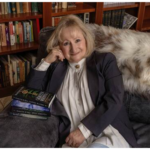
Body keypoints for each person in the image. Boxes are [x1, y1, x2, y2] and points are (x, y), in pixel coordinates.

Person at [26, 15, 137, 148]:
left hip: (107, 134)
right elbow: (31, 95)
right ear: (59, 47)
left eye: (77, 40)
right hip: (71, 141)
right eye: (66, 43)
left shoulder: (105, 61)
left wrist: (83, 131)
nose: (74, 48)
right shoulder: (55, 69)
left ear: (86, 39)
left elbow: (115, 98)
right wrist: (46, 61)